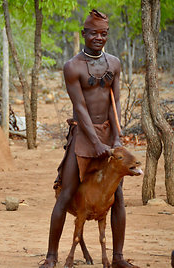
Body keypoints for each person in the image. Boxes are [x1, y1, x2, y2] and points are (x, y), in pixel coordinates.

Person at [39, 10, 139, 268]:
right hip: (83, 137)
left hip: (108, 135)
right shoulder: (73, 66)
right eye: (93, 33)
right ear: (83, 34)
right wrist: (95, 143)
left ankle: (117, 257)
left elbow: (115, 103)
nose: (98, 38)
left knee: (116, 195)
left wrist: (116, 137)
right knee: (66, 191)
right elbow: (80, 107)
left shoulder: (114, 64)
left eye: (103, 33)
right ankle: (51, 257)